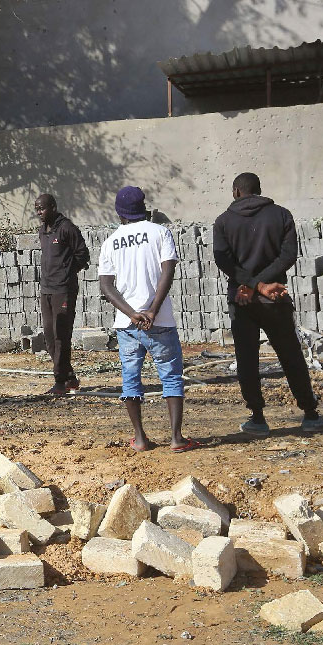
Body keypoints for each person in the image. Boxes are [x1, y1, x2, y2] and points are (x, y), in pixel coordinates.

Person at [212, 172, 323, 435]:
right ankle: (310, 413)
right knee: (290, 354)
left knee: (247, 359)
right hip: (274, 297)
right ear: (259, 190)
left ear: (236, 192)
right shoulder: (282, 215)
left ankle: (258, 418)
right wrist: (264, 284)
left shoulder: (223, 222)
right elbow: (288, 256)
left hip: (242, 299)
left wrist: (251, 285)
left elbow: (224, 262)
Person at [98, 186, 195, 452]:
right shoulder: (160, 232)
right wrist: (152, 309)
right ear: (145, 208)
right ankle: (176, 438)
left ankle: (140, 438)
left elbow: (107, 287)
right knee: (172, 377)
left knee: (131, 380)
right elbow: (168, 272)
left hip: (127, 325)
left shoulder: (110, 242)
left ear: (119, 213)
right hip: (160, 320)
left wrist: (132, 313)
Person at [35, 193, 89, 395]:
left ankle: (60, 382)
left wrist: (67, 272)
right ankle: (70, 377)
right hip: (47, 289)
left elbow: (83, 255)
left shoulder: (67, 228)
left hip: (63, 290)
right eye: (37, 209)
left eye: (43, 208)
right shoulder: (43, 231)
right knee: (49, 336)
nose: (40, 212)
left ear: (53, 207)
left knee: (61, 335)